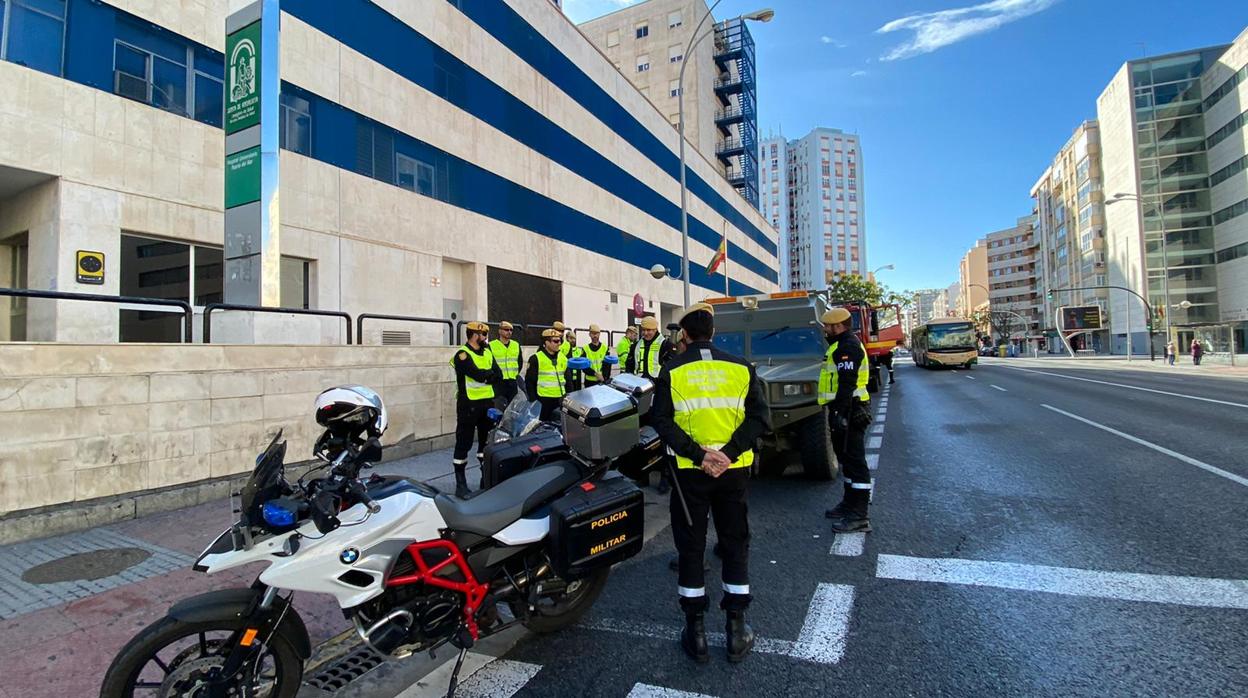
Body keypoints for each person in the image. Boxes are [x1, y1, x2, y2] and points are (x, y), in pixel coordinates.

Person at [651, 302, 768, 664]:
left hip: (689, 473)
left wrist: (700, 455)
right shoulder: (741, 368)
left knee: (691, 546)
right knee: (735, 543)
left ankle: (696, 633)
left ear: (684, 335)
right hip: (733, 472)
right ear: (713, 333)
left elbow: (661, 421)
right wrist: (728, 454)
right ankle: (736, 630)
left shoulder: (672, 370)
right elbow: (759, 420)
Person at [820, 307, 874, 534]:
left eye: (828, 326)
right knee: (847, 461)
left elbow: (846, 383)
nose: (825, 329)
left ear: (839, 326)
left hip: (851, 409)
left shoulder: (847, 347)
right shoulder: (840, 345)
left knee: (855, 461)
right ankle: (849, 504)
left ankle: (859, 516)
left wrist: (838, 413)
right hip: (846, 408)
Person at [450, 321, 501, 498]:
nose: (486, 338)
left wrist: (488, 376)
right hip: (468, 405)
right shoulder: (462, 355)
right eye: (484, 335)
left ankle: (484, 479)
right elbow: (477, 375)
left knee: (486, 444)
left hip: (486, 404)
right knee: (463, 443)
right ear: (474, 335)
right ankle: (461, 484)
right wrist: (487, 376)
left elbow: (498, 374)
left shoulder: (487, 352)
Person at [524, 329, 571, 421]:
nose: (559, 343)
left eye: (560, 341)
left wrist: (569, 398)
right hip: (543, 401)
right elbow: (529, 382)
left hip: (560, 400)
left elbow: (568, 381)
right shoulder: (536, 358)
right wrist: (534, 401)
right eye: (555, 341)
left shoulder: (563, 358)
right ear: (546, 342)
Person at [489, 321, 523, 405]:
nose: (509, 332)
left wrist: (515, 374)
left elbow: (520, 362)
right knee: (499, 407)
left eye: (511, 330)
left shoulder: (516, 345)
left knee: (512, 408)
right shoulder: (491, 345)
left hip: (512, 382)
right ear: (500, 331)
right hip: (498, 382)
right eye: (506, 329)